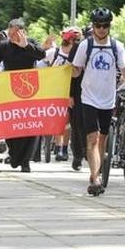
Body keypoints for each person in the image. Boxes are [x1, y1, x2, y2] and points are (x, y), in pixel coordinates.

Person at [71, 8, 125, 195]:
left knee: (102, 139)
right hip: (88, 98)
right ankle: (96, 178)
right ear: (93, 26)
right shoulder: (85, 46)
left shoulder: (117, 46)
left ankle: (96, 171)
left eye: (105, 25)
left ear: (109, 26)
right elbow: (76, 71)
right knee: (92, 139)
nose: (101, 29)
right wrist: (66, 70)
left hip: (108, 99)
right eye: (98, 25)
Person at [0, 18, 46, 173]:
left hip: (30, 91)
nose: (12, 37)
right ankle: (15, 156)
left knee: (30, 127)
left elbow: (42, 54)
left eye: (15, 34)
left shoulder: (31, 43)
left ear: (23, 32)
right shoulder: (4, 46)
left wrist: (25, 46)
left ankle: (26, 160)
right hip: (10, 90)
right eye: (10, 34)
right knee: (12, 125)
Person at [42, 26, 81, 162]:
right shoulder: (55, 52)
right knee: (59, 118)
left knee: (68, 120)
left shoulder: (78, 55)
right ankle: (58, 146)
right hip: (54, 89)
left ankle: (64, 147)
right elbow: (40, 61)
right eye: (75, 39)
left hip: (70, 90)